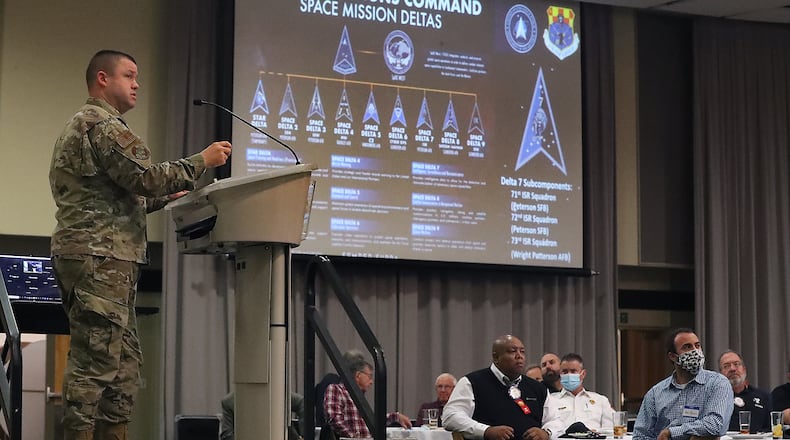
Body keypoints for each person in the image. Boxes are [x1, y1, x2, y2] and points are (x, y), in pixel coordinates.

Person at [50, 49, 232, 440]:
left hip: (101, 257)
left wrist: (168, 196)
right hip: (100, 259)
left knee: (123, 364)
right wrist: (203, 159)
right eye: (129, 76)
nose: (136, 85)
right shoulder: (102, 124)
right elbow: (146, 178)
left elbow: (116, 197)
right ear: (102, 79)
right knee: (96, 363)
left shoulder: (82, 126)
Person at [442, 335, 550, 440]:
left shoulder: (537, 387)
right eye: (512, 351)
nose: (519, 356)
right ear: (496, 357)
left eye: (522, 351)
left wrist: (546, 432)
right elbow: (450, 417)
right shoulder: (472, 382)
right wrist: (486, 431)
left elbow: (555, 419)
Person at [633, 328, 733, 440]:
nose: (695, 351)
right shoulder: (655, 393)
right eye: (687, 347)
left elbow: (714, 424)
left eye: (697, 345)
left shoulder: (717, 383)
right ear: (672, 356)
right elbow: (640, 436)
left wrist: (670, 432)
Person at [323, 356, 412, 437]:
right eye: (369, 376)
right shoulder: (336, 389)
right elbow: (334, 419)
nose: (371, 382)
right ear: (358, 375)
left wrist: (396, 416)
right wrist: (354, 437)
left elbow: (372, 421)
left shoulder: (359, 397)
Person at [542, 353, 614, 437]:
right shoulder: (551, 400)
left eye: (573, 371)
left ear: (583, 374)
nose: (569, 375)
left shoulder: (600, 400)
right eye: (564, 372)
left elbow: (610, 430)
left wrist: (595, 432)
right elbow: (547, 429)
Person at [718, 350, 771, 433]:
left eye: (736, 364)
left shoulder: (764, 397)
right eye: (726, 366)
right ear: (720, 374)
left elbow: (772, 429)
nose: (732, 369)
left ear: (744, 369)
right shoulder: (713, 400)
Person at [221, 391, 304, 440]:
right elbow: (227, 436)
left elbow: (302, 403)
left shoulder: (278, 394)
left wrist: (304, 434)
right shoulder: (229, 402)